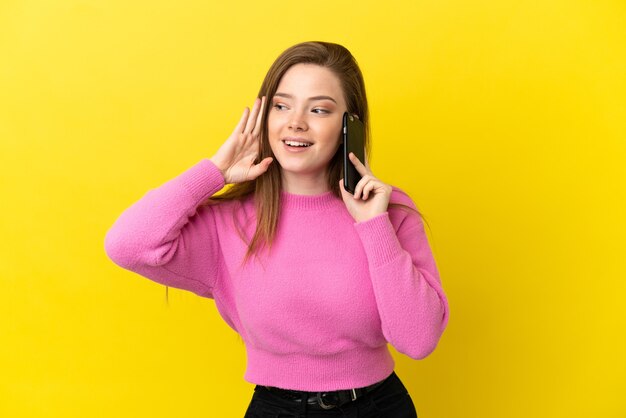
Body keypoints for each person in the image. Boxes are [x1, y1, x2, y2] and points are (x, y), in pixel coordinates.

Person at [104, 41, 449, 417]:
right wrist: (214, 172)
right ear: (263, 116)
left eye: (319, 109)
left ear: (350, 125)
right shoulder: (229, 221)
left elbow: (418, 340)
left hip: (378, 407)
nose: (295, 122)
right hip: (275, 408)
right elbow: (126, 245)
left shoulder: (387, 211)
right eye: (281, 106)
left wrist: (374, 228)